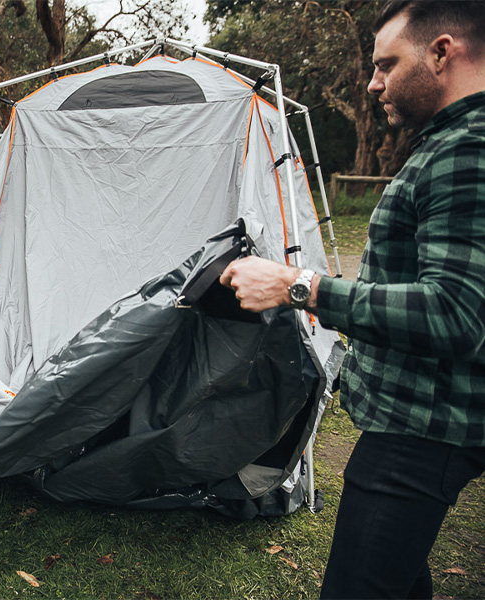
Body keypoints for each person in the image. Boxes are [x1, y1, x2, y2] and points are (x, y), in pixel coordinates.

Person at [220, 2, 485, 597]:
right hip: (417, 420)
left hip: (421, 432)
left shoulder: (466, 150)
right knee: (398, 578)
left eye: (386, 64)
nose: (372, 83)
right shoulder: (446, 142)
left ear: (442, 53)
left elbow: (458, 313)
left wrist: (299, 287)